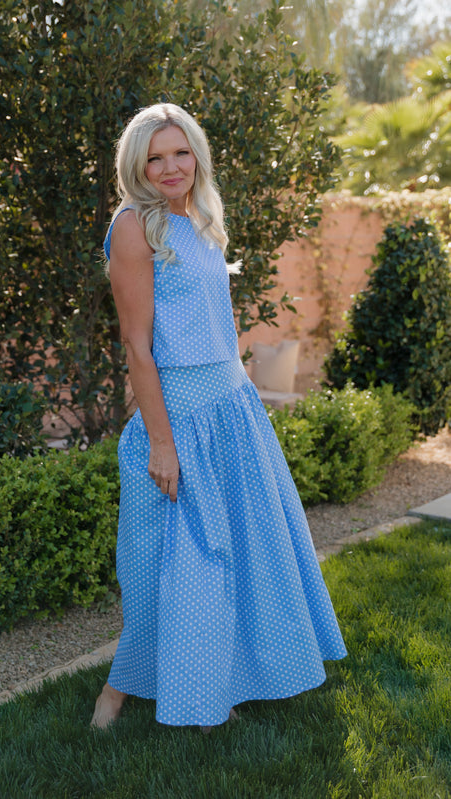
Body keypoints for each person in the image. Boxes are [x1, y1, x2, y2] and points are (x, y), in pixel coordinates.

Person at [91, 103, 346, 731]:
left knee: (242, 553)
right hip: (177, 416)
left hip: (230, 409)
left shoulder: (200, 217)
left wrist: (243, 391)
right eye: (155, 157)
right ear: (136, 164)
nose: (171, 167)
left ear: (197, 155)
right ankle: (119, 693)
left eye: (180, 153)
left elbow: (214, 319)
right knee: (177, 566)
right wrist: (161, 443)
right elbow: (138, 346)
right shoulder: (133, 227)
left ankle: (215, 683)